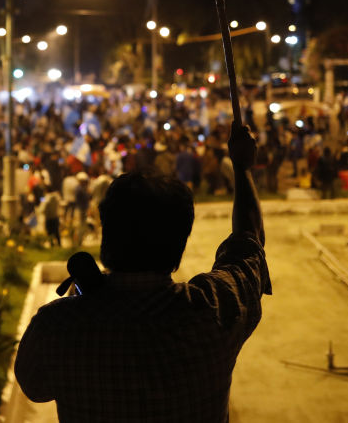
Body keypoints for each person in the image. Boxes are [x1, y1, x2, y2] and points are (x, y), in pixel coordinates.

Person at [15, 122, 270, 422]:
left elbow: (36, 387)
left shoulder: (56, 326)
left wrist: (84, 302)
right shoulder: (214, 309)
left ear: (106, 237)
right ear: (179, 245)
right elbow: (248, 243)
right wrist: (242, 168)